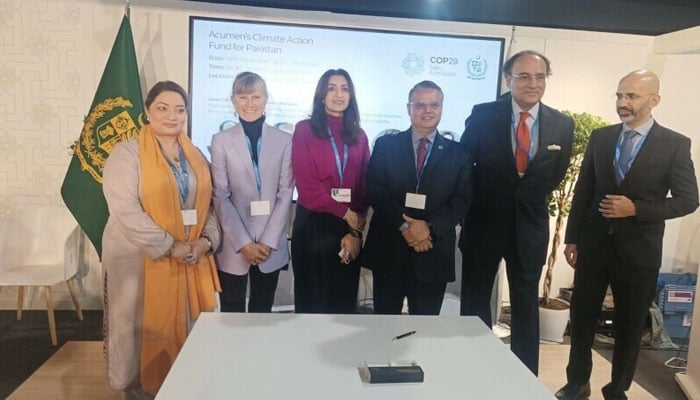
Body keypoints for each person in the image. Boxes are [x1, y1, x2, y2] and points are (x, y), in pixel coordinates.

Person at [555, 70, 699, 400]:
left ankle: (617, 389)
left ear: (654, 100)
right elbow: (584, 190)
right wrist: (572, 238)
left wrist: (636, 209)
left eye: (631, 96)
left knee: (630, 327)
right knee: (582, 319)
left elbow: (689, 200)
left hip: (639, 252)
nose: (623, 103)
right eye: (619, 96)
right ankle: (577, 383)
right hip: (593, 246)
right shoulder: (601, 137)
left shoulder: (675, 144)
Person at [102, 81, 221, 397]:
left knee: (189, 326)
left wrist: (206, 240)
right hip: (139, 258)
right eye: (163, 108)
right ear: (147, 112)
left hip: (190, 257)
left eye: (180, 110)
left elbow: (206, 204)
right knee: (137, 330)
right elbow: (124, 210)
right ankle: (138, 390)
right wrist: (170, 246)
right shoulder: (127, 154)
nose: (172, 116)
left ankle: (183, 386)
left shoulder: (194, 155)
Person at [459, 50, 574, 374]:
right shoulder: (483, 115)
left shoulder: (562, 124)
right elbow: (465, 166)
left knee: (525, 306)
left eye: (540, 77)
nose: (532, 83)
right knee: (475, 300)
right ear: (508, 80)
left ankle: (525, 377)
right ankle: (473, 367)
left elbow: (554, 175)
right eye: (524, 76)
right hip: (484, 222)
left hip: (530, 227)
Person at [364, 80, 471, 315]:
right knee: (384, 326)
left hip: (433, 251)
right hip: (390, 249)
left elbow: (461, 201)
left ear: (442, 108)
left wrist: (429, 229)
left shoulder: (459, 153)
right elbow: (376, 190)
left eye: (434, 104)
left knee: (425, 330)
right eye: (420, 104)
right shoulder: (386, 145)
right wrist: (406, 226)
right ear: (408, 108)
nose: (427, 110)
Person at [211, 72, 294, 313]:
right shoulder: (221, 141)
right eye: (243, 97)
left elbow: (286, 191)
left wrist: (267, 242)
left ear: (266, 99)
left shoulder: (284, 140)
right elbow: (221, 195)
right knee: (232, 311)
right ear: (233, 100)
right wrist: (244, 243)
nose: (250, 103)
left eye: (256, 96)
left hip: (271, 246)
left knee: (262, 311)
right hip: (235, 246)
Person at [291, 68, 370, 313]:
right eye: (332, 88)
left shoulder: (359, 135)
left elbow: (364, 186)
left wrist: (354, 232)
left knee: (343, 302)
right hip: (313, 225)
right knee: (312, 303)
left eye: (344, 88)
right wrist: (348, 215)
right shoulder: (304, 129)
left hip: (347, 228)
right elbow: (307, 187)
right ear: (321, 94)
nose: (338, 94)